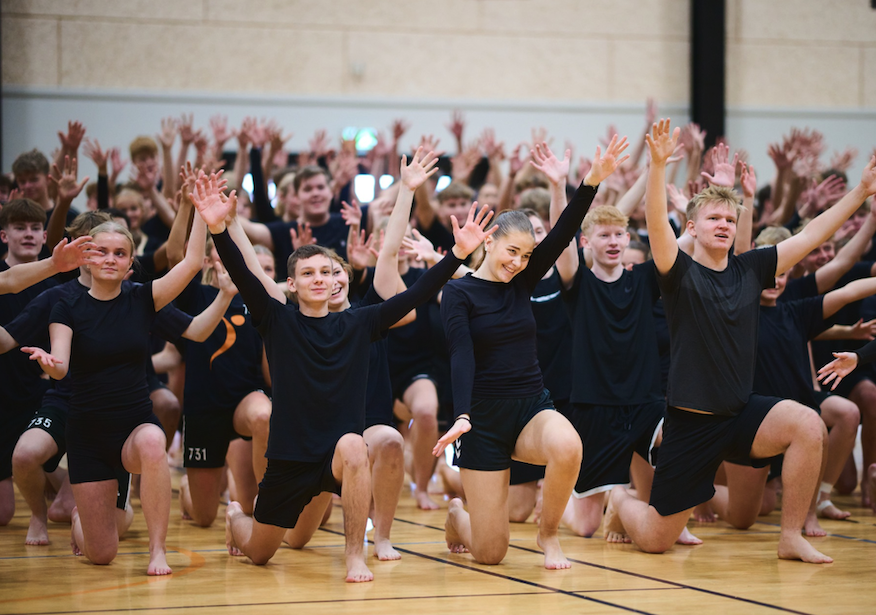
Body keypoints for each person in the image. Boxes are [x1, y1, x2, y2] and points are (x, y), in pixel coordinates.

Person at [188, 163, 491, 583]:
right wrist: (219, 229)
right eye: (308, 273)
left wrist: (456, 255)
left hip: (335, 457)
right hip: (289, 460)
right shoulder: (276, 320)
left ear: (337, 280)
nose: (319, 279)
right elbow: (244, 272)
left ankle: (355, 556)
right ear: (291, 284)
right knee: (261, 552)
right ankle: (238, 519)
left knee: (353, 444)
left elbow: (417, 294)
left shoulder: (360, 322)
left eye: (326, 272)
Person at [604, 119, 876, 564]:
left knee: (807, 424)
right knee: (655, 539)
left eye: (730, 219)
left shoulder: (752, 269)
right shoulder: (678, 272)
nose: (724, 225)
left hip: (740, 412)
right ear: (693, 227)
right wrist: (657, 167)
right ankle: (621, 501)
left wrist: (861, 191)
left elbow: (812, 235)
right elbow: (655, 222)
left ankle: (791, 536)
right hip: (691, 424)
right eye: (714, 218)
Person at [433, 136, 629, 569]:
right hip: (481, 420)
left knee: (568, 446)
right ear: (489, 242)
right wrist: (462, 415)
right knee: (491, 553)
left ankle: (549, 535)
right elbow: (461, 354)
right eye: (512, 252)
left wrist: (591, 181)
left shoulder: (523, 280)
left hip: (529, 408)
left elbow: (562, 234)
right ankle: (457, 516)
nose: (519, 262)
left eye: (525, 255)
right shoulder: (459, 293)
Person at [22, 206, 208, 575]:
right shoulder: (66, 305)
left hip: (133, 425)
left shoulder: (143, 298)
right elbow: (61, 365)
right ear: (86, 258)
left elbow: (190, 263)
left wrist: (202, 213)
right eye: (101, 251)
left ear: (130, 263)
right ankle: (85, 518)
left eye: (120, 253)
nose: (110, 259)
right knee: (102, 553)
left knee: (154, 442)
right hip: (87, 436)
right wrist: (50, 363)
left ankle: (157, 551)